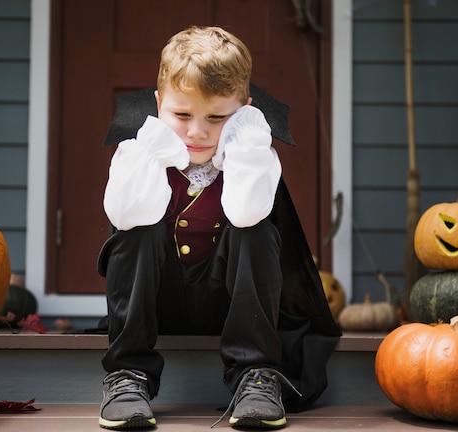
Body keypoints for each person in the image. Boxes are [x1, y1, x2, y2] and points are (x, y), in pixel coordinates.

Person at [97, 26, 340, 430]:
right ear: (158, 104)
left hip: (232, 306)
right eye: (181, 115)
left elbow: (246, 213)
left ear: (244, 109)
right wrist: (154, 153)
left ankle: (254, 376)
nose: (197, 132)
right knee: (137, 228)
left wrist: (245, 145)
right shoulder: (140, 153)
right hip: (157, 301)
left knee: (256, 230)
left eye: (217, 117)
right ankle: (128, 374)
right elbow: (124, 215)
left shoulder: (251, 156)